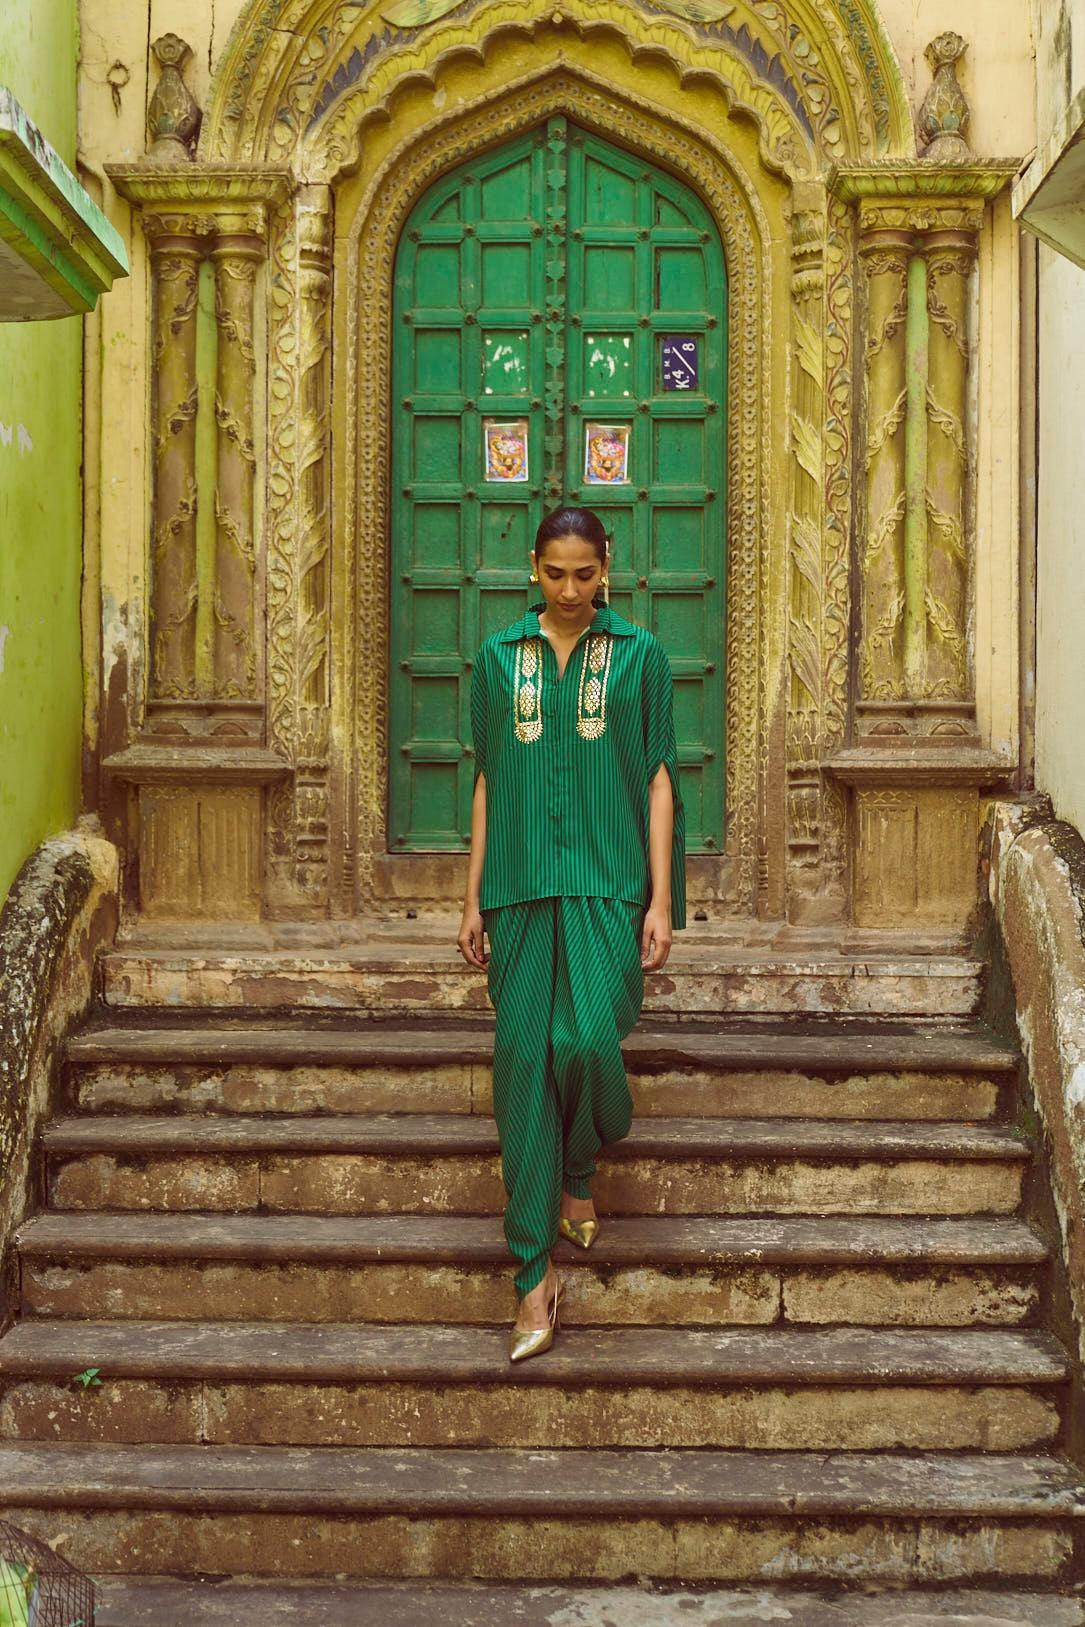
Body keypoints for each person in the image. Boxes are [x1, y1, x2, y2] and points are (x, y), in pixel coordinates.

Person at [457, 505, 687, 1363]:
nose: (568, 589)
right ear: (533, 567)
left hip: (606, 883)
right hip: (517, 888)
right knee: (523, 1063)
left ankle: (580, 1162)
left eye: (583, 573)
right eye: (554, 573)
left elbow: (658, 778)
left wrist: (660, 899)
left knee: (586, 1040)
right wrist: (471, 897)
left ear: (605, 567)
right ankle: (531, 1273)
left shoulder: (640, 655)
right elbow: (487, 780)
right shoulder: (496, 657)